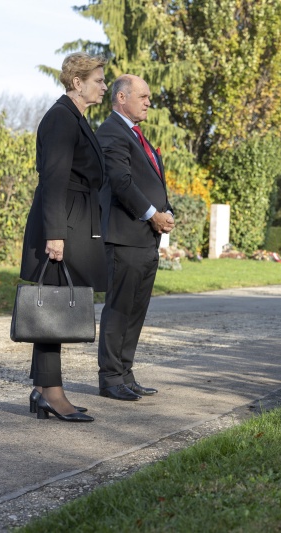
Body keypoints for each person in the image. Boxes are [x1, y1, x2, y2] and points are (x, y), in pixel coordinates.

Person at [19, 52, 109, 422]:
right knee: (51, 309)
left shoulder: (75, 117)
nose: (105, 86)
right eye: (99, 80)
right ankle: (53, 395)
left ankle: (43, 391)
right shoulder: (60, 118)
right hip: (62, 226)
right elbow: (53, 179)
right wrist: (55, 235)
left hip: (74, 220)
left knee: (52, 309)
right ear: (78, 83)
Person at [95, 74, 174, 401]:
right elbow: (121, 181)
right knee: (119, 309)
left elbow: (153, 180)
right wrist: (152, 214)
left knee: (136, 310)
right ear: (122, 98)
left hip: (146, 239)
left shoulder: (137, 135)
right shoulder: (111, 132)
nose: (148, 102)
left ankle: (126, 374)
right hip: (125, 238)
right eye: (142, 96)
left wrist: (167, 211)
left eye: (149, 97)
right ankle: (111, 379)